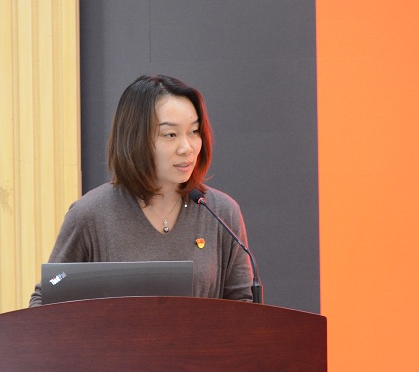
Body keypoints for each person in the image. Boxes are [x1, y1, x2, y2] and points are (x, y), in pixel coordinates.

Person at [29, 74, 253, 307]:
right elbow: (45, 301)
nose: (187, 147)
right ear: (135, 138)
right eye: (170, 134)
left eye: (194, 131)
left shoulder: (220, 212)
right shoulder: (90, 214)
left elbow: (245, 307)